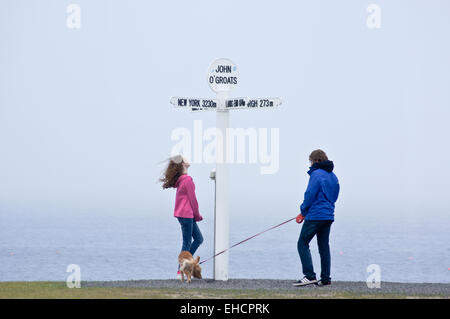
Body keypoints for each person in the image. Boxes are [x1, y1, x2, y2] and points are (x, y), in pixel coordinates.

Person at [293, 149, 340, 287]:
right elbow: (335, 196)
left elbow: (310, 194)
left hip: (315, 215)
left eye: (311, 161)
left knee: (302, 243)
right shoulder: (333, 176)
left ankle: (309, 275)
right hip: (328, 215)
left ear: (316, 160)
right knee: (324, 246)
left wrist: (303, 211)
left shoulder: (316, 174)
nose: (311, 164)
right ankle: (326, 279)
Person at [160, 155, 203, 279]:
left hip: (184, 215)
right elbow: (193, 201)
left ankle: (188, 263)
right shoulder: (187, 180)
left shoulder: (182, 180)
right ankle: (181, 271)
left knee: (199, 239)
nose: (188, 160)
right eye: (185, 159)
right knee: (187, 243)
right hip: (187, 215)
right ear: (183, 164)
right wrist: (197, 215)